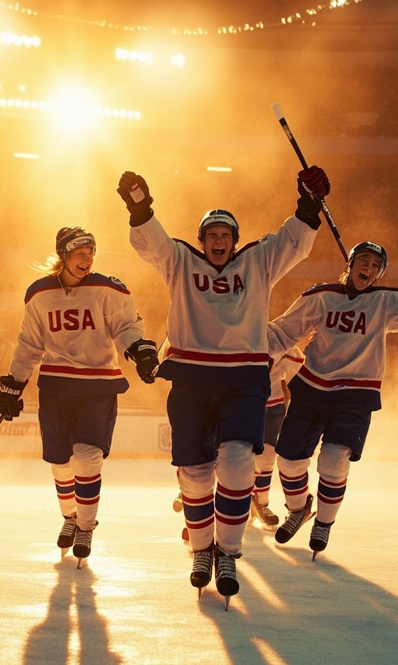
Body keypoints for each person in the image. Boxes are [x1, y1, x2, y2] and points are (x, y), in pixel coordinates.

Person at [116, 166, 327, 604]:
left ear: (234, 240)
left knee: (236, 463)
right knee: (194, 475)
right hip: (191, 380)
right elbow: (152, 244)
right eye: (211, 234)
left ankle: (228, 553)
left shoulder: (257, 261)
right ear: (201, 240)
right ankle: (201, 551)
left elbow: (292, 242)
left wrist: (309, 206)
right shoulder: (180, 261)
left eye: (225, 234)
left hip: (243, 381)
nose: (218, 240)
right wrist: (140, 209)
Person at [266, 241, 398, 558]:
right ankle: (298, 509)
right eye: (363, 261)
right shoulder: (321, 296)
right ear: (350, 264)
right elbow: (284, 331)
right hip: (311, 389)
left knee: (334, 460)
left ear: (379, 274)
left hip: (355, 395)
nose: (368, 268)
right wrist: (248, 347)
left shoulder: (386, 301)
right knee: (288, 460)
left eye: (375, 265)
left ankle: (324, 522)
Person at [0, 226, 158, 564]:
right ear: (63, 254)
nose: (87, 259)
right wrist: (14, 382)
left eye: (90, 253)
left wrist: (139, 350)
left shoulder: (107, 288)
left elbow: (127, 327)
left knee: (86, 455)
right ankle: (70, 517)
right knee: (59, 460)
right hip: (55, 388)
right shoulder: (39, 293)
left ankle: (85, 525)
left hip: (97, 386)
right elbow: (30, 344)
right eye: (80, 253)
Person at [251, 343, 307, 529]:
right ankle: (239, 500)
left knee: (267, 455)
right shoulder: (245, 335)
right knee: (239, 453)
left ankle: (261, 502)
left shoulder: (280, 340)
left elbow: (298, 364)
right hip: (247, 403)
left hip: (274, 405)